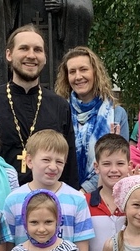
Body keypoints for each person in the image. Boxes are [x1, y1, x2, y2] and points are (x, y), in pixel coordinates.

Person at [0, 25, 81, 187]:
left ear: (45, 58)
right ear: (9, 54)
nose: (31, 55)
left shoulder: (60, 106)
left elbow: (69, 166)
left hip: (47, 202)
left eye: (38, 50)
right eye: (24, 48)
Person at [55, 46, 129, 193]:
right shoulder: (59, 112)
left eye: (83, 69)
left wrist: (84, 191)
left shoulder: (116, 114)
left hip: (103, 195)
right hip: (64, 192)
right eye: (72, 72)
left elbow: (121, 161)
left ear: (95, 73)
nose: (78, 77)